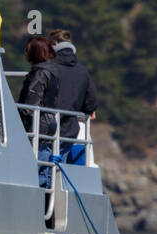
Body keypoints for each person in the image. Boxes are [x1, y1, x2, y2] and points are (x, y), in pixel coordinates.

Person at [47, 28, 98, 165]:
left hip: (49, 130)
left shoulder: (49, 68)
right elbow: (91, 103)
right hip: (74, 130)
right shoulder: (82, 71)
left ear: (54, 45)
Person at [18, 35, 60, 188]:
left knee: (37, 165)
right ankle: (45, 198)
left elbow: (31, 102)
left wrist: (18, 117)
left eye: (28, 50)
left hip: (39, 123)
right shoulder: (53, 71)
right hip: (50, 121)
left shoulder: (40, 73)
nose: (25, 53)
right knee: (45, 164)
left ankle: (39, 198)